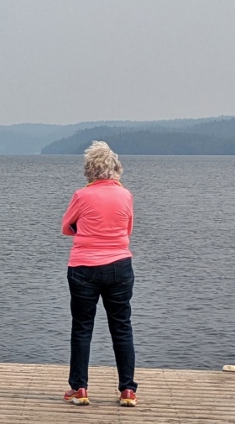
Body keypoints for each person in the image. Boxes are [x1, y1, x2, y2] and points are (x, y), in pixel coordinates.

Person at [60, 140, 137, 407]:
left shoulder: (81, 195)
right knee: (122, 327)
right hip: (119, 265)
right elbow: (127, 229)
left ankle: (80, 388)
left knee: (82, 327)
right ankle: (127, 390)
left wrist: (84, 232)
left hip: (83, 267)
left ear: (89, 171)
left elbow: (66, 227)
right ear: (116, 168)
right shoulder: (125, 195)